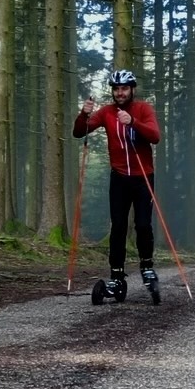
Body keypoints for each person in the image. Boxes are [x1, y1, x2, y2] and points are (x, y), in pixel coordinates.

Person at [73, 69, 161, 296]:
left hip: (143, 176)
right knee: (118, 227)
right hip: (119, 178)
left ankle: (147, 267)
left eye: (124, 88)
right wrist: (84, 114)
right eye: (116, 89)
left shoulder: (143, 109)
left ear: (132, 89)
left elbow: (155, 136)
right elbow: (79, 132)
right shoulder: (107, 112)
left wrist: (133, 122)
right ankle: (117, 276)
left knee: (143, 224)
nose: (120, 93)